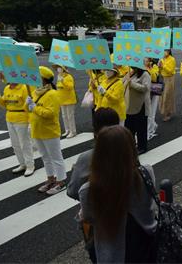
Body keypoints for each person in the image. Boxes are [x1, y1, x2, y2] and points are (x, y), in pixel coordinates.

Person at [78, 125, 157, 263]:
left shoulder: (88, 189)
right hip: (147, 242)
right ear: (131, 148)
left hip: (112, 254)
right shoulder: (146, 172)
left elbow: (89, 218)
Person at [27, 66, 67, 195]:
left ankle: (61, 182)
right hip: (37, 130)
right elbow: (28, 109)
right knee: (45, 157)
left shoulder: (53, 94)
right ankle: (50, 179)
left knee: (56, 158)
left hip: (50, 131)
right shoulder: (34, 91)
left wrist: (35, 108)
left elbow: (51, 113)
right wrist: (27, 104)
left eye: (38, 77)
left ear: (45, 79)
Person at [67, 108, 121, 201]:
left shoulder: (87, 158)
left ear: (95, 131)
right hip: (130, 210)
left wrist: (76, 170)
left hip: (100, 210)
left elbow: (73, 191)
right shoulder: (130, 153)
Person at [0, 81, 35, 176]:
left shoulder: (24, 87)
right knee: (15, 144)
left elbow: (28, 107)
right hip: (9, 117)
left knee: (24, 144)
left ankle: (30, 165)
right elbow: (4, 105)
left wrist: (28, 105)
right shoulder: (7, 88)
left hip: (21, 118)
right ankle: (22, 164)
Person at [124, 66, 151, 154]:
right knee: (129, 127)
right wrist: (126, 79)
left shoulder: (145, 74)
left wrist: (131, 83)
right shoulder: (130, 73)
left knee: (141, 128)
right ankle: (131, 146)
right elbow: (123, 85)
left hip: (141, 105)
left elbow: (144, 88)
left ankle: (142, 147)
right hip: (130, 105)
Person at [54, 65, 78, 138]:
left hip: (69, 99)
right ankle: (67, 129)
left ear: (63, 69)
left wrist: (63, 81)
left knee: (70, 116)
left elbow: (70, 87)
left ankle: (73, 131)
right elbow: (58, 87)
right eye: (57, 67)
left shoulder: (68, 77)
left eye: (60, 67)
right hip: (61, 99)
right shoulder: (59, 76)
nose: (58, 69)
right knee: (64, 116)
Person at [158, 49, 176, 122]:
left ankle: (168, 113)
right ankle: (165, 112)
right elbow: (159, 70)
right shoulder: (161, 58)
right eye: (164, 50)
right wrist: (159, 67)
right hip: (162, 78)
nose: (165, 52)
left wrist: (163, 66)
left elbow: (171, 71)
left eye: (166, 51)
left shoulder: (172, 59)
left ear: (169, 51)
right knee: (161, 96)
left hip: (169, 79)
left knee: (167, 96)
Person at [145, 58, 160, 140]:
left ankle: (150, 131)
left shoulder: (154, 66)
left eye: (147, 60)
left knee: (152, 112)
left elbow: (154, 78)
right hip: (146, 91)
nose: (145, 61)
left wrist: (149, 69)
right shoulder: (142, 66)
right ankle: (153, 126)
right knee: (147, 111)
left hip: (155, 88)